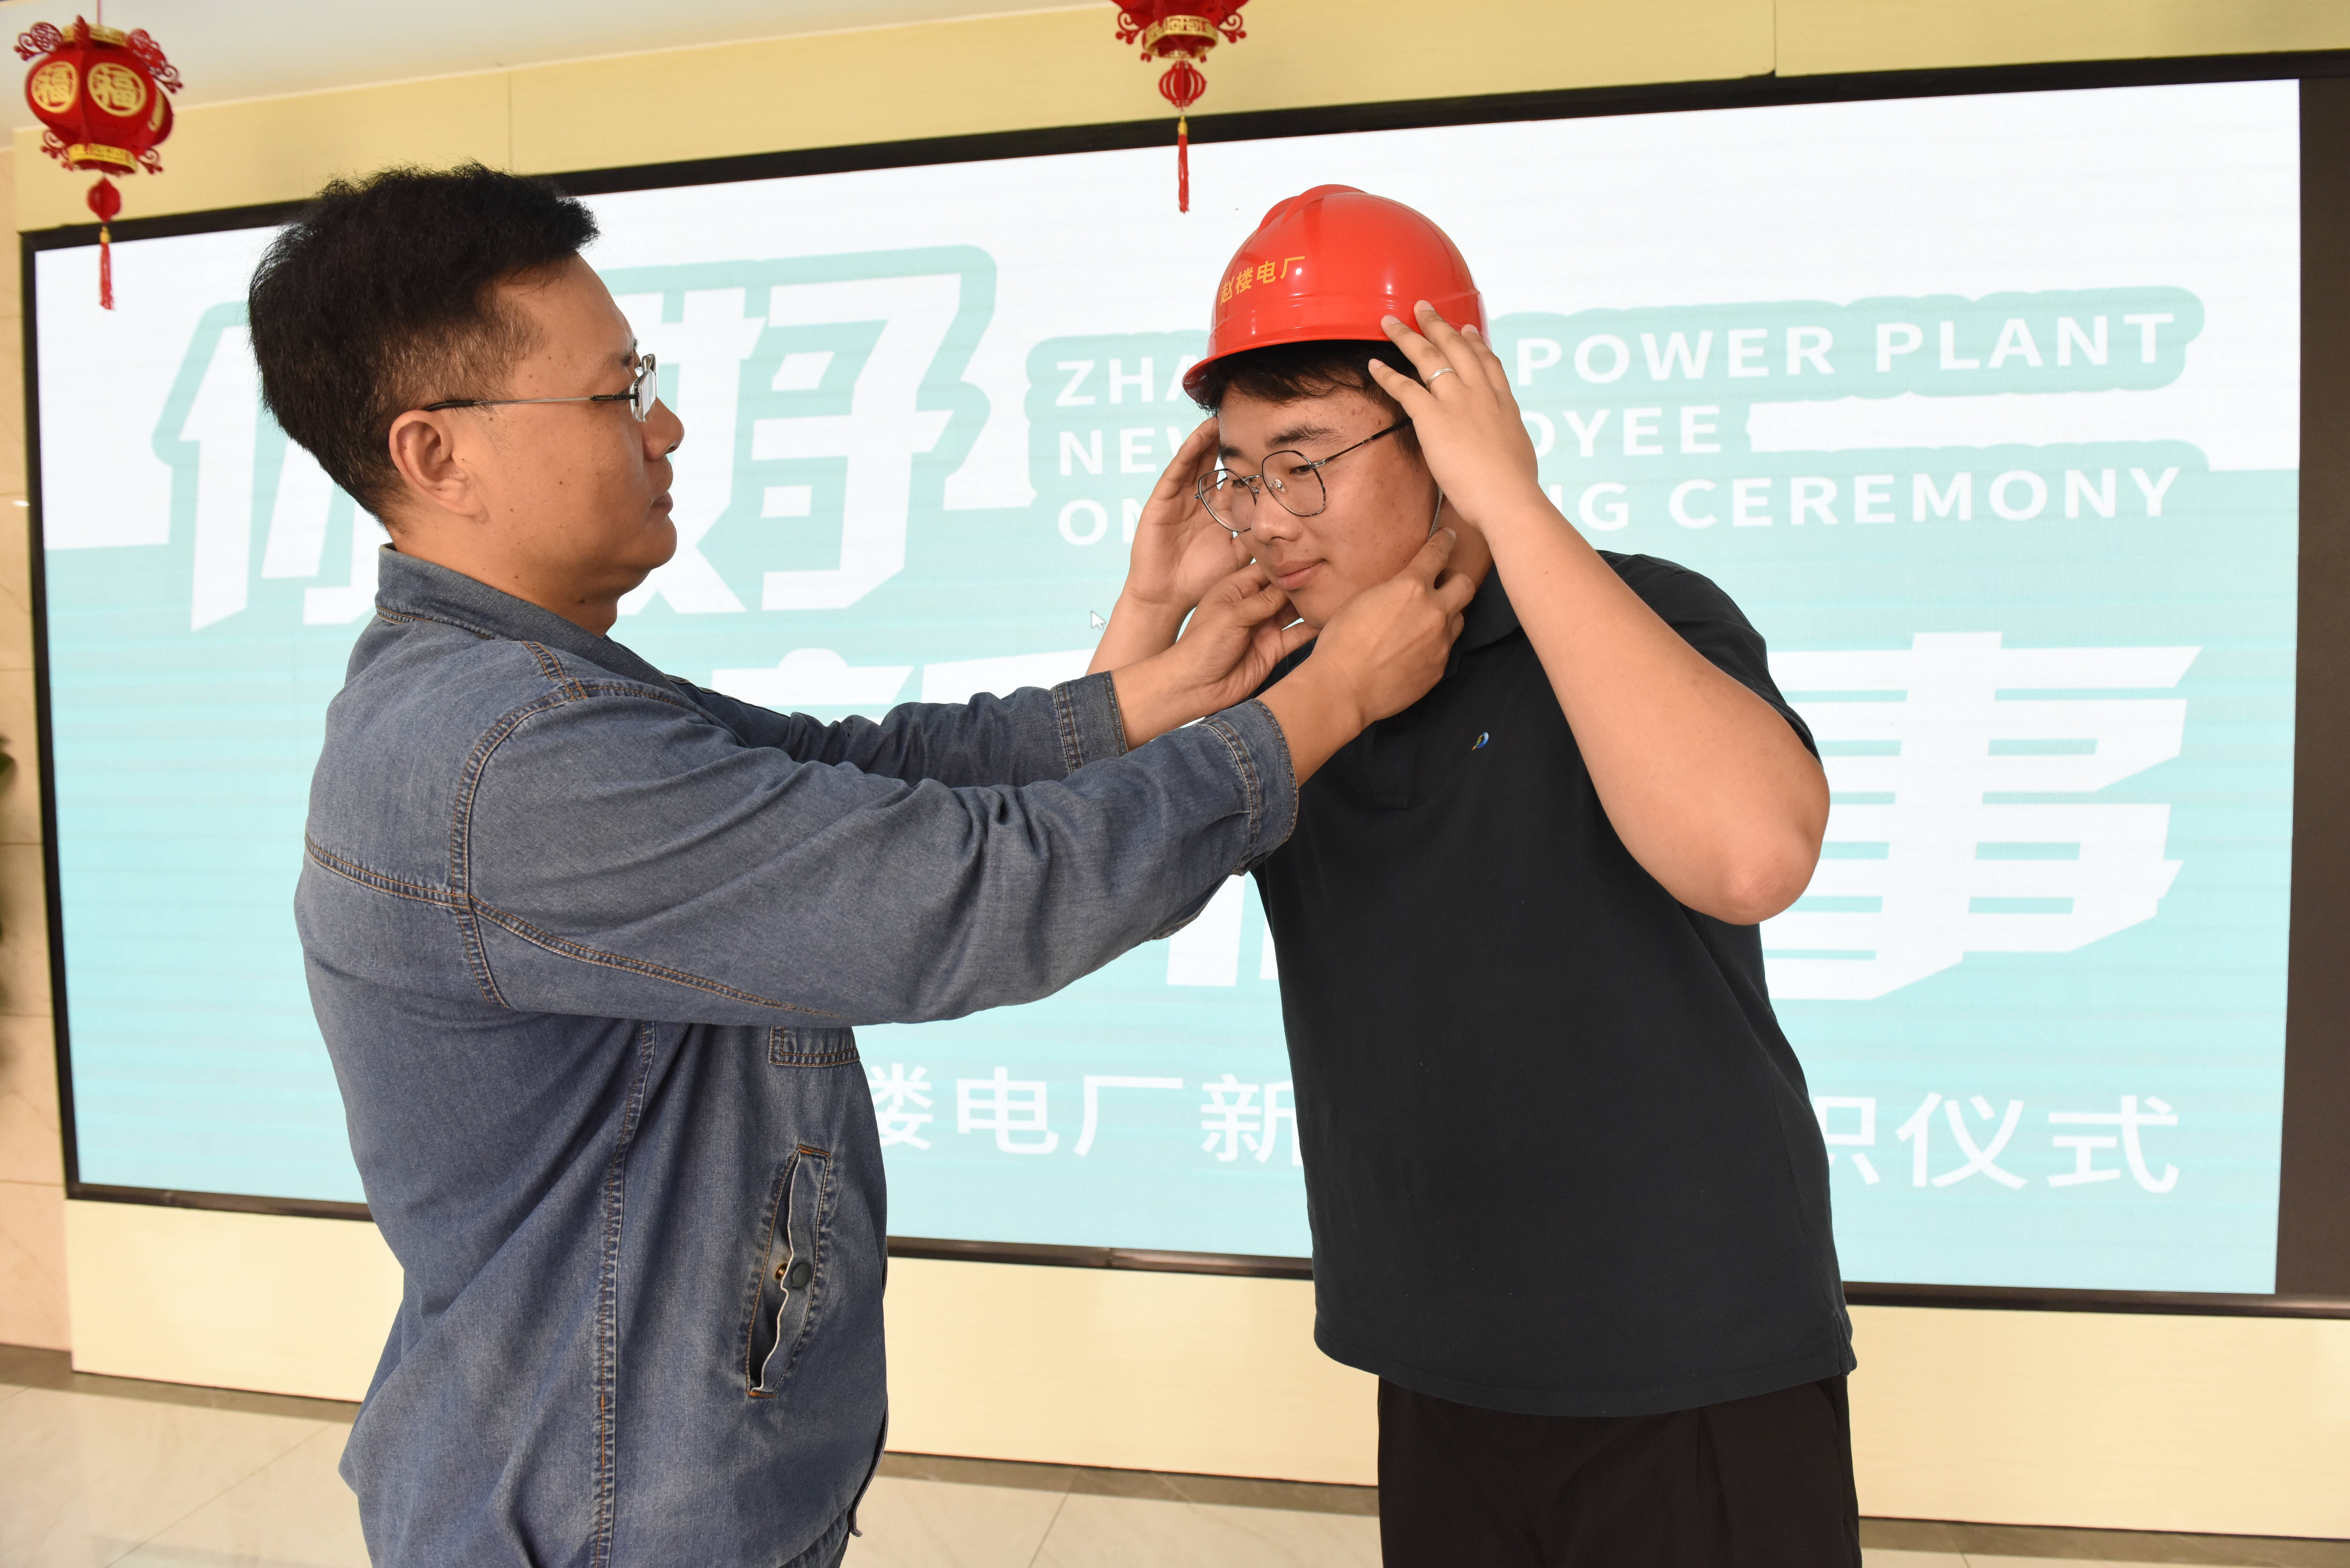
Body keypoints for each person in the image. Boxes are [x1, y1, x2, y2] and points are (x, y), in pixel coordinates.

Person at [248, 165, 1475, 1568]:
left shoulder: (519, 693)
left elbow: (860, 768)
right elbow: (966, 892)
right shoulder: (506, 756)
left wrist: (1153, 684)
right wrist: (1325, 702)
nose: (664, 423)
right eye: (615, 393)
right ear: (435, 454)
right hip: (601, 1521)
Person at [1090, 185, 1857, 1566]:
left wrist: (1509, 496)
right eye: (1240, 472)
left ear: (1444, 432)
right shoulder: (1286, 685)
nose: (1266, 516)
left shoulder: (1641, 613)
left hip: (1687, 1350)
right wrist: (1151, 609)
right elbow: (1077, 881)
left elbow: (1753, 856)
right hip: (1434, 1347)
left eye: (1305, 462)